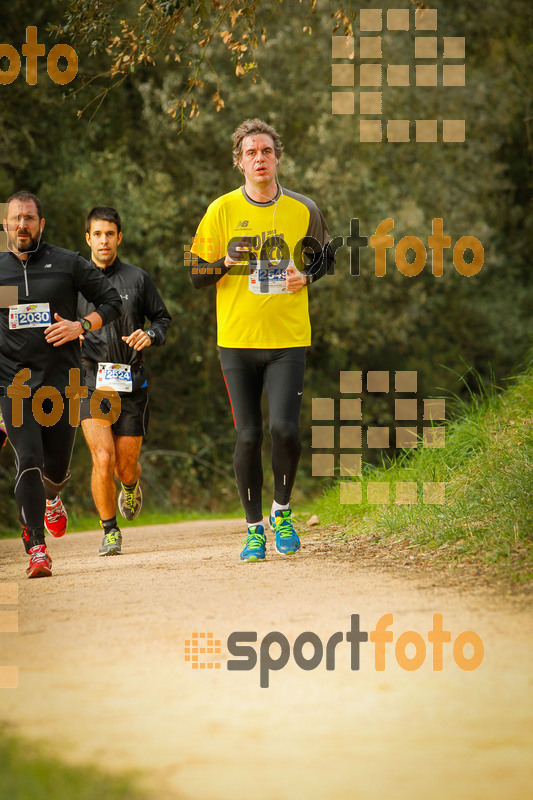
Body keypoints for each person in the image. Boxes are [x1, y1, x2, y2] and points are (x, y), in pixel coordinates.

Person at [190, 118, 333, 562]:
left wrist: (304, 276)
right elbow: (196, 276)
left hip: (288, 338)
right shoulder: (220, 210)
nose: (259, 159)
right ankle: (254, 529)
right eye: (250, 153)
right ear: (239, 163)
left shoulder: (303, 208)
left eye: (266, 151)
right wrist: (226, 258)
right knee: (249, 436)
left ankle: (282, 512)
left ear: (277, 158)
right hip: (236, 341)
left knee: (285, 429)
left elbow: (326, 256)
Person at [0, 191, 121, 578]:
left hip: (61, 383)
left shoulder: (67, 263)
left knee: (56, 467)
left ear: (41, 224)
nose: (22, 225)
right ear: (5, 224)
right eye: (16, 218)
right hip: (14, 384)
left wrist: (81, 325)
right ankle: (37, 547)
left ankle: (52, 498)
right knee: (29, 460)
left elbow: (112, 302)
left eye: (30, 219)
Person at [78, 206, 171, 556]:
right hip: (89, 381)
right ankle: (110, 531)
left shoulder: (137, 279)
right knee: (102, 458)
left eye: (109, 234)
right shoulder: (74, 281)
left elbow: (162, 319)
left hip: (131, 381)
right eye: (97, 234)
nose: (104, 240)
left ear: (119, 237)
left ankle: (130, 486)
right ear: (88, 238)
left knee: (124, 465)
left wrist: (151, 335)